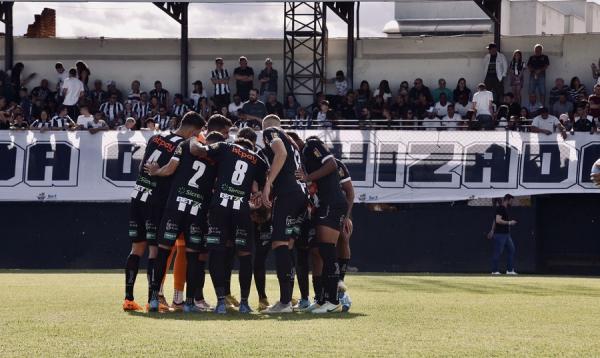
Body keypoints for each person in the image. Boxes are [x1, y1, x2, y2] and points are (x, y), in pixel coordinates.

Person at [123, 111, 203, 312]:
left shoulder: (156, 137)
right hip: (156, 201)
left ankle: (128, 298)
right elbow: (168, 169)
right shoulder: (182, 145)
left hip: (138, 195)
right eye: (198, 133)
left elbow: (143, 165)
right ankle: (153, 300)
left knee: (136, 249)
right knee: (154, 250)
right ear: (193, 130)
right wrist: (159, 173)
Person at [188, 126, 268, 314]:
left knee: (217, 253)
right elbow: (262, 182)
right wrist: (257, 198)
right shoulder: (257, 158)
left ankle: (221, 302)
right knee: (245, 255)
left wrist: (192, 138)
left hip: (220, 208)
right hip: (242, 209)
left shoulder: (225, 147)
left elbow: (197, 150)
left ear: (237, 143)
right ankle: (245, 303)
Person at [144, 118, 219, 313]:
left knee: (163, 251)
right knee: (193, 257)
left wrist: (156, 172)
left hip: (175, 206)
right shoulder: (216, 157)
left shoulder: (185, 145)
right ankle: (189, 302)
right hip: (197, 210)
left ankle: (154, 298)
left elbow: (170, 169)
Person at [260, 115, 308, 313]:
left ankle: (285, 302)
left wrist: (269, 182)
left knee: (279, 243)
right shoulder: (293, 143)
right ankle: (289, 299)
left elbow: (280, 154)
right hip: (300, 195)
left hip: (287, 194)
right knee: (288, 245)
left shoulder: (270, 132)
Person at [295, 136, 348, 313]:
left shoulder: (310, 145)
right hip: (322, 205)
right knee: (317, 252)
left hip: (331, 204)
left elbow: (332, 164)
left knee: (327, 250)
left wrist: (308, 177)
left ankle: (333, 300)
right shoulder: (303, 158)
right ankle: (321, 298)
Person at [491, 194, 517, 275]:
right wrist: (509, 222)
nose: (513, 202)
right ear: (508, 200)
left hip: (506, 234)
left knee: (511, 250)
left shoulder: (506, 208)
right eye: (512, 200)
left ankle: (509, 270)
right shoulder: (501, 208)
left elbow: (495, 221)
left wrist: (492, 230)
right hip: (500, 234)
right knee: (498, 252)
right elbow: (498, 220)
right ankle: (494, 271)